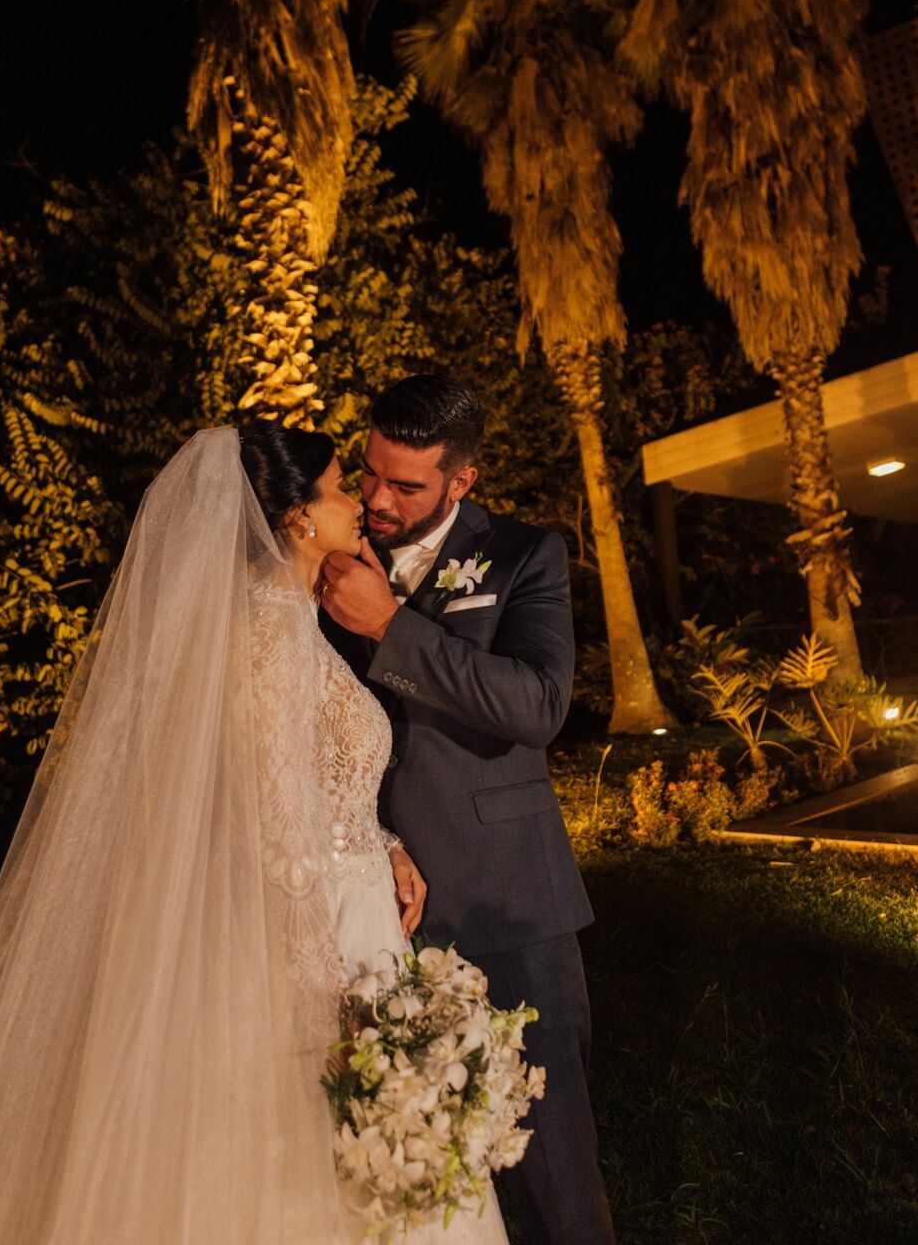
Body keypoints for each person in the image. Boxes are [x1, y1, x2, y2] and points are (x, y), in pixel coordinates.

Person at [0, 421, 507, 1244]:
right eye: (336, 488)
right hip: (320, 943)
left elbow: (313, 786)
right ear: (293, 519)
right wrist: (332, 1012)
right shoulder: (262, 637)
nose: (357, 503)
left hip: (362, 920)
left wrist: (383, 842)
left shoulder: (295, 623)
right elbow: (281, 847)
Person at [320, 374, 617, 1245]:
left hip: (506, 901)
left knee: (551, 1163)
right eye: (369, 473)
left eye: (405, 485)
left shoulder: (527, 555)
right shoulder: (323, 564)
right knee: (408, 1159)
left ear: (462, 482)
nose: (377, 498)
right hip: (370, 910)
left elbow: (535, 706)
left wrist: (390, 628)